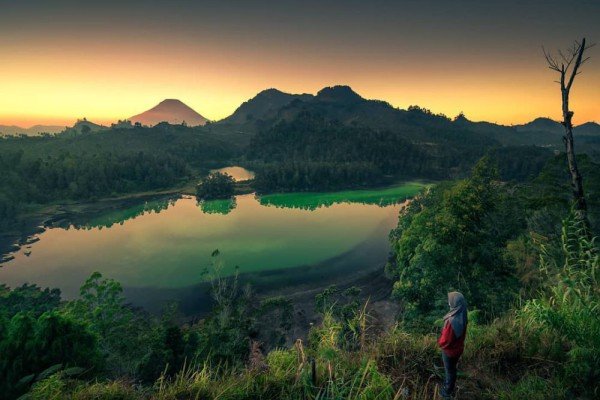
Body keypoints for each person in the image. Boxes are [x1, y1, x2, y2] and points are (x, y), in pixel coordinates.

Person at [437, 291, 468, 399]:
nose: (449, 302)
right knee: (452, 369)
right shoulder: (462, 313)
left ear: (454, 303)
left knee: (449, 371)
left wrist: (439, 343)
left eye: (451, 301)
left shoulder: (452, 321)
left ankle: (446, 392)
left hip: (449, 351)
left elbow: (446, 340)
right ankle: (450, 386)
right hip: (458, 348)